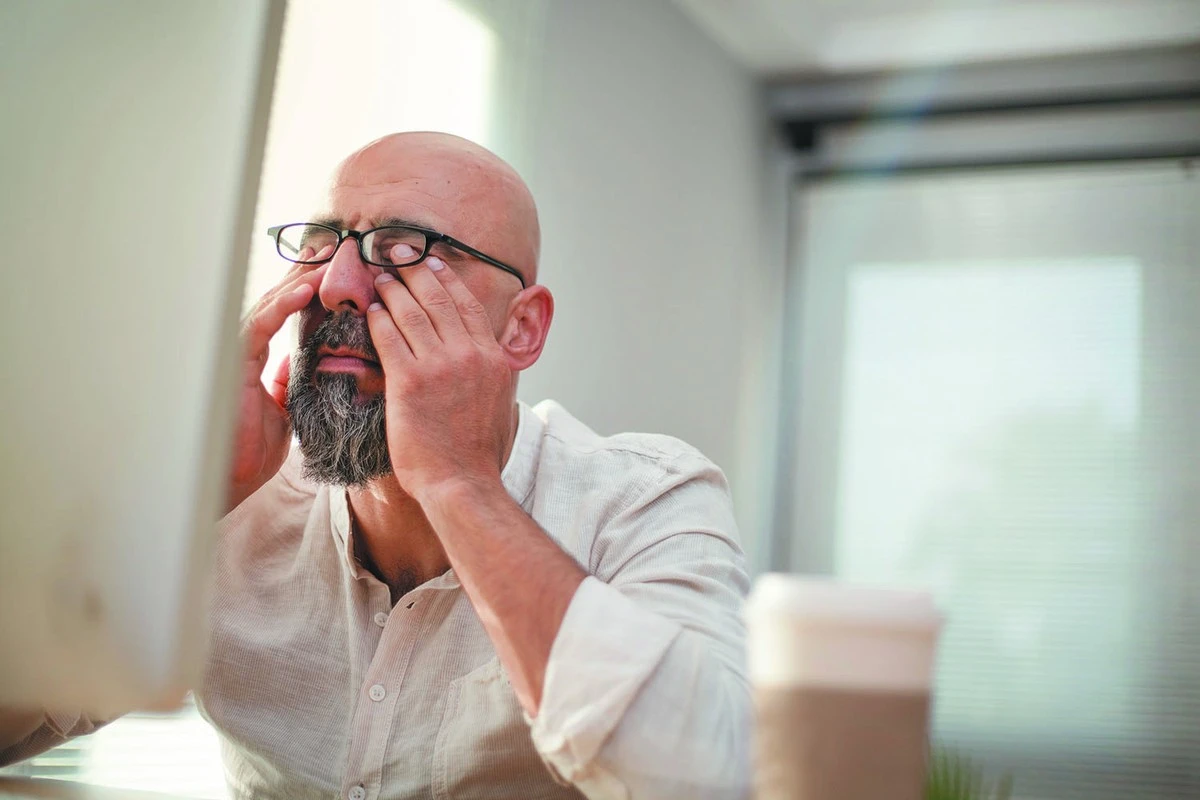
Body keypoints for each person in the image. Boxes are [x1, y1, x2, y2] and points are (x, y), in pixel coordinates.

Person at [0, 132, 750, 799]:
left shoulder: (647, 497)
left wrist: (460, 485)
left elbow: (710, 780)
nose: (335, 286)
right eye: (325, 244)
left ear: (521, 328)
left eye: (404, 250)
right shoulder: (237, 498)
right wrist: (187, 504)